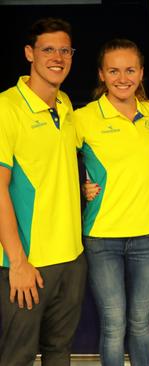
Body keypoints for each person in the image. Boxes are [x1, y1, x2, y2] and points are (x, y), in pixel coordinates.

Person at [0, 17, 87, 366]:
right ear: (29, 53)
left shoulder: (65, 104)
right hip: (28, 265)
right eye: (48, 49)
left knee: (59, 353)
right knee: (17, 357)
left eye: (64, 50)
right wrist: (18, 262)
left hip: (71, 259)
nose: (58, 57)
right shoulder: (7, 108)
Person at [75, 39, 149, 366]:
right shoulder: (83, 118)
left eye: (130, 70)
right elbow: (51, 158)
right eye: (113, 70)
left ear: (141, 73)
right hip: (103, 237)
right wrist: (78, 187)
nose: (122, 77)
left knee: (141, 321)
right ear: (101, 74)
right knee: (113, 324)